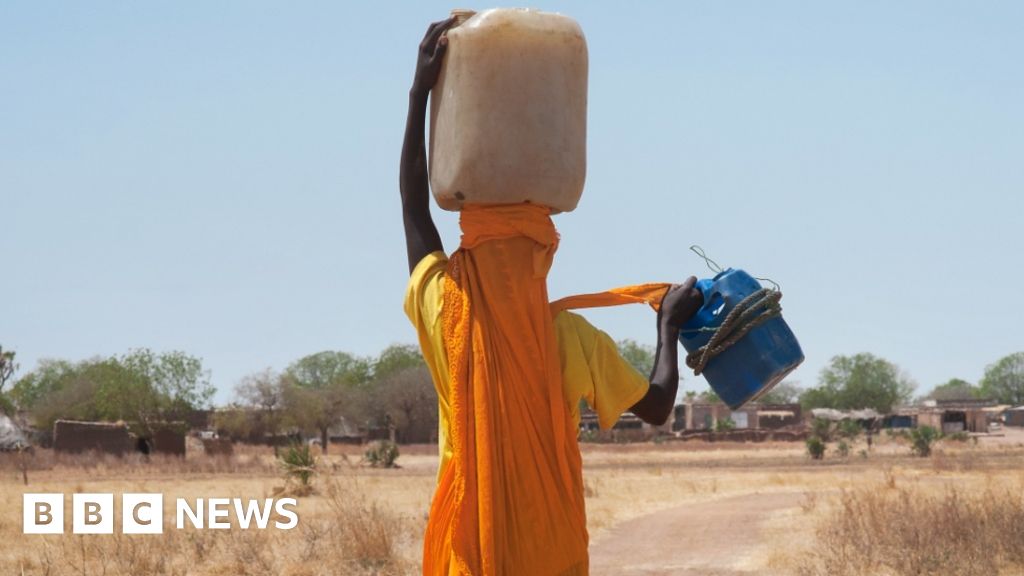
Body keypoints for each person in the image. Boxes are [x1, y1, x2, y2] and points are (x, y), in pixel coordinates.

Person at [401, 18, 704, 575]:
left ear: (469, 241)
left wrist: (421, 94)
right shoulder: (569, 337)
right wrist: (668, 328)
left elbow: (416, 213)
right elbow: (658, 407)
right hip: (551, 552)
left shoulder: (447, 314)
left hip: (470, 554)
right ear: (543, 249)